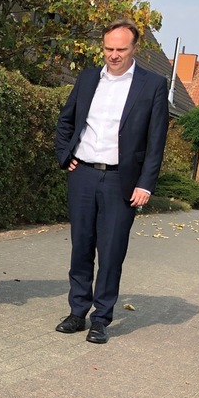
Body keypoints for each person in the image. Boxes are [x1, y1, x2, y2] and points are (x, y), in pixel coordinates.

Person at [53, 19, 168, 344]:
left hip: (122, 181)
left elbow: (156, 140)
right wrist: (65, 155)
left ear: (135, 49)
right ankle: (77, 312)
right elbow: (65, 121)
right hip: (83, 176)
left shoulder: (152, 85)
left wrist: (146, 183)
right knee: (81, 247)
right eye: (108, 49)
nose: (113, 55)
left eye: (120, 49)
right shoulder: (89, 78)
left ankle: (101, 318)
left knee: (112, 251)